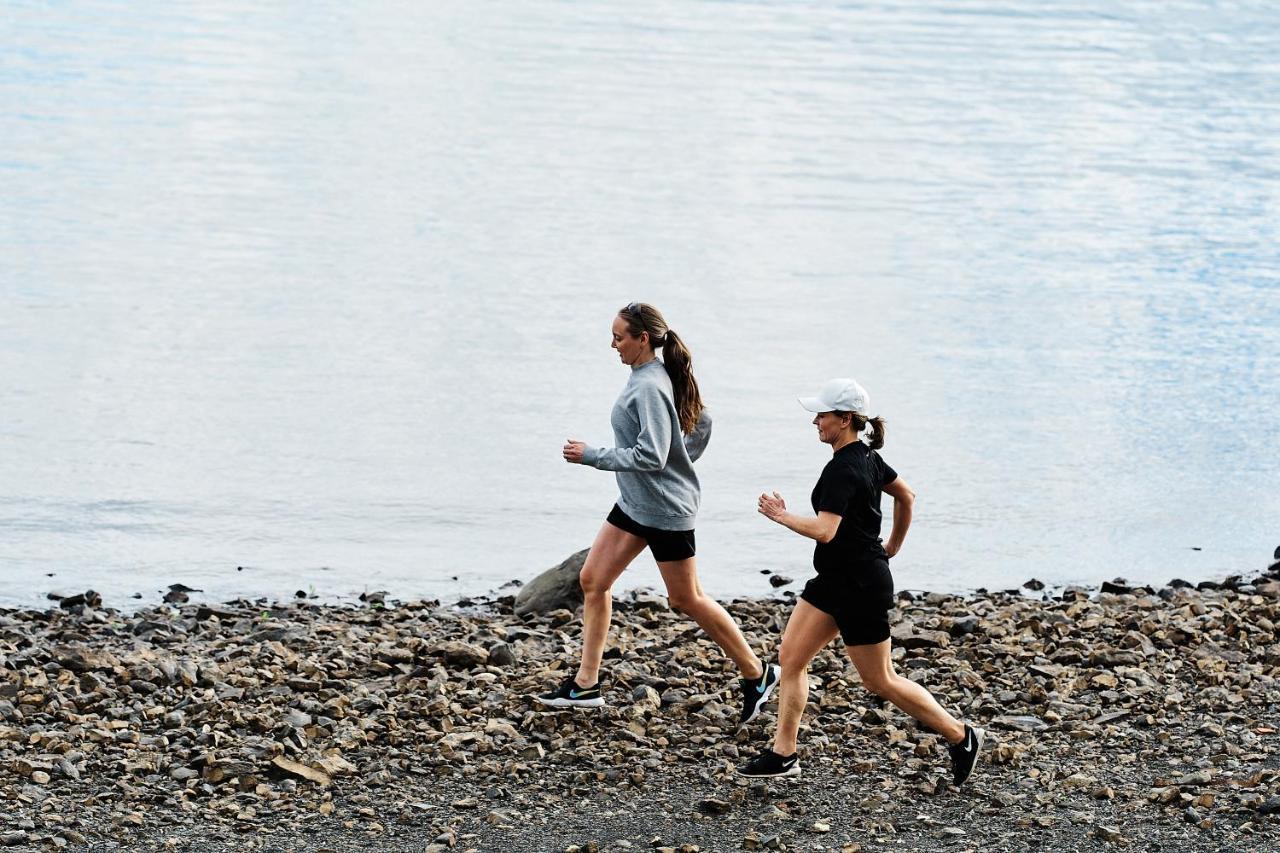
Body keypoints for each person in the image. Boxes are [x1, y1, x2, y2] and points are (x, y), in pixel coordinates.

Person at [536, 302, 780, 726]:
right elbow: (701, 424)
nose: (612, 344)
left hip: (665, 511)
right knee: (593, 580)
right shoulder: (652, 376)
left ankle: (758, 675)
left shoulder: (649, 385)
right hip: (635, 503)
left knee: (686, 598)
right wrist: (681, 463)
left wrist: (594, 456)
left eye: (618, 337)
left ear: (642, 339)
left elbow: (652, 453)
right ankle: (586, 684)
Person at [737, 377, 983, 786]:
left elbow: (824, 530)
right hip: (834, 580)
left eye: (822, 414)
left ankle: (961, 736)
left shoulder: (844, 468)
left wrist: (781, 515)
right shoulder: (866, 457)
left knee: (879, 679)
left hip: (861, 587)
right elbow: (906, 496)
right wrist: (892, 546)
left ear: (845, 419)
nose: (815, 420)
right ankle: (784, 754)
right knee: (791, 659)